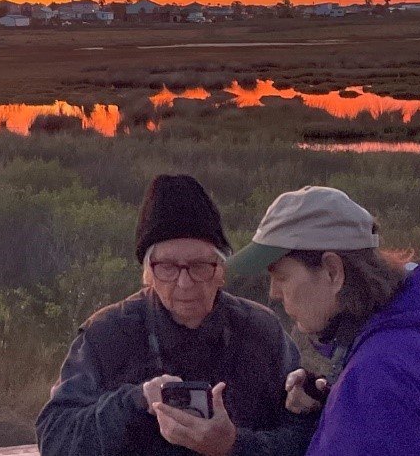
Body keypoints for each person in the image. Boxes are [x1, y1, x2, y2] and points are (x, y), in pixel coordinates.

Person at [36, 175, 318, 456]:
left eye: (199, 266)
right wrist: (137, 400)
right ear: (148, 273)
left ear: (221, 270)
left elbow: (304, 436)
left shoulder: (260, 329)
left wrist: (234, 445)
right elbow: (55, 437)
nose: (185, 283)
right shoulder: (107, 334)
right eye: (168, 267)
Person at [226, 186, 420, 456]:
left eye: (282, 277)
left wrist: (350, 406)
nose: (273, 293)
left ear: (333, 271)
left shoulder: (379, 378)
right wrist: (330, 412)